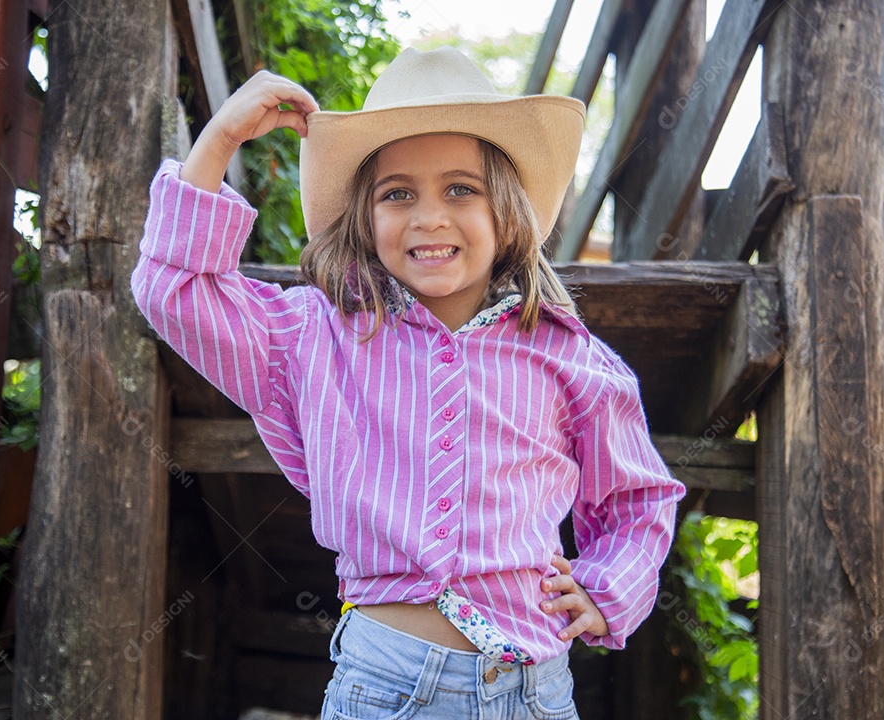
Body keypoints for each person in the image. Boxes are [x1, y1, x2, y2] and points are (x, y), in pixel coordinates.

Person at [132, 46, 685, 719]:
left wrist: (608, 588)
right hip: (383, 688)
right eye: (398, 193)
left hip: (535, 694)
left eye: (461, 188)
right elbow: (174, 290)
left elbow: (639, 498)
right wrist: (219, 140)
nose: (429, 216)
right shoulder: (314, 336)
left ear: (507, 211)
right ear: (367, 216)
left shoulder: (570, 356)